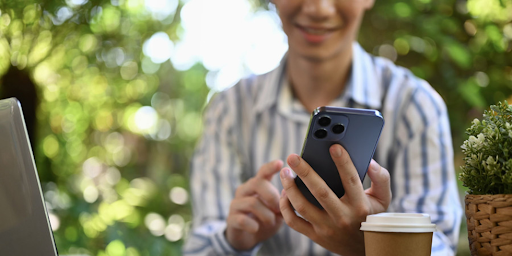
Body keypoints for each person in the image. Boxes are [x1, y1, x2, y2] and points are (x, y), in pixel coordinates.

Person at [183, 0, 462, 255]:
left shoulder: (414, 105)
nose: (319, 8)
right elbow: (199, 246)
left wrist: (369, 246)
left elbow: (438, 245)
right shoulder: (230, 110)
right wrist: (233, 241)